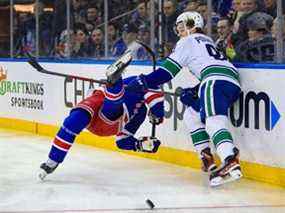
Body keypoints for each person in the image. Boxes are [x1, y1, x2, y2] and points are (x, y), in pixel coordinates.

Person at [126, 11, 242, 187]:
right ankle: (206, 157)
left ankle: (230, 161)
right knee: (192, 113)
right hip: (225, 80)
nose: (179, 32)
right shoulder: (206, 40)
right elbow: (211, 64)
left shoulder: (187, 41)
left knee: (214, 121)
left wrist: (144, 81)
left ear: (192, 26)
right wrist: (196, 90)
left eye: (181, 27)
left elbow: (167, 72)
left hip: (214, 80)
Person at [39, 53, 164, 180]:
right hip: (99, 100)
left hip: (109, 118)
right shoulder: (141, 85)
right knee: (73, 122)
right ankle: (51, 161)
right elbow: (153, 89)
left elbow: (122, 141)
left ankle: (115, 83)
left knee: (111, 108)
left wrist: (139, 145)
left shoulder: (140, 112)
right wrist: (158, 113)